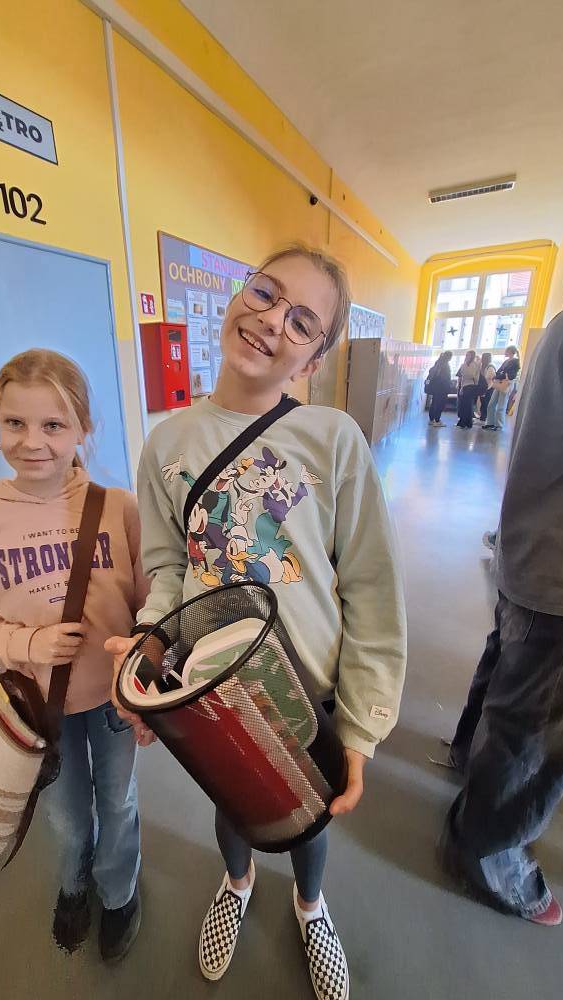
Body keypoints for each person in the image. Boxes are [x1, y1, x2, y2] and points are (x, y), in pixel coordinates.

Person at [107, 244, 407, 999]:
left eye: (302, 322)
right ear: (241, 293)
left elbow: (372, 588)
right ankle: (237, 884)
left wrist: (362, 725)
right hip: (212, 681)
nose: (273, 321)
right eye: (267, 294)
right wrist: (148, 645)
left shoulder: (332, 439)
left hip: (308, 684)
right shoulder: (167, 443)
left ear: (314, 356)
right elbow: (168, 569)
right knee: (233, 804)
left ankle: (310, 907)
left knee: (309, 815)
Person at [0, 349, 149, 960]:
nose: (32, 442)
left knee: (118, 803)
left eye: (53, 425)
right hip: (36, 703)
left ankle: (118, 891)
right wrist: (27, 644)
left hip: (113, 698)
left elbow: (147, 602)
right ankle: (73, 882)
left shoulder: (117, 507)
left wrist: (150, 687)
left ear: (83, 428)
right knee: (65, 813)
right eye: (15, 423)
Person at [441, 209, 563, 926]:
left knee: (508, 686)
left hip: (540, 557)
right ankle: (490, 854)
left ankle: (469, 765)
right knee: (545, 733)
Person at [482, 345, 520, 430]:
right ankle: (490, 423)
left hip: (506, 384)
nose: (505, 352)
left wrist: (499, 375)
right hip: (499, 383)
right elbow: (499, 371)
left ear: (510, 352)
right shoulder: (506, 361)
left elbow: (510, 374)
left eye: (507, 351)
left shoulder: (515, 362)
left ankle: (499, 425)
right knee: (491, 404)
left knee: (501, 406)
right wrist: (499, 375)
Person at [455, 349, 481, 429]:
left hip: (471, 386)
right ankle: (464, 422)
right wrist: (461, 387)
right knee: (463, 404)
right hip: (464, 385)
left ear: (472, 356)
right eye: (466, 355)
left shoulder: (474, 364)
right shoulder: (464, 364)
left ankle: (466, 423)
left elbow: (472, 375)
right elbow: (462, 375)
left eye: (468, 355)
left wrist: (465, 373)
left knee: (468, 405)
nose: (466, 356)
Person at [427, 350, 453, 426]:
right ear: (449, 357)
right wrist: (449, 386)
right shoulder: (445, 365)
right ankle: (437, 421)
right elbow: (446, 378)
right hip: (442, 388)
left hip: (435, 387)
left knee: (434, 402)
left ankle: (431, 419)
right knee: (440, 404)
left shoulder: (438, 362)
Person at [476, 352, 496, 421]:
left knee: (486, 403)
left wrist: (486, 389)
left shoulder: (490, 367)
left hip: (488, 388)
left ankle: (484, 418)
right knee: (483, 403)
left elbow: (490, 378)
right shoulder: (484, 366)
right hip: (484, 387)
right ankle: (482, 417)